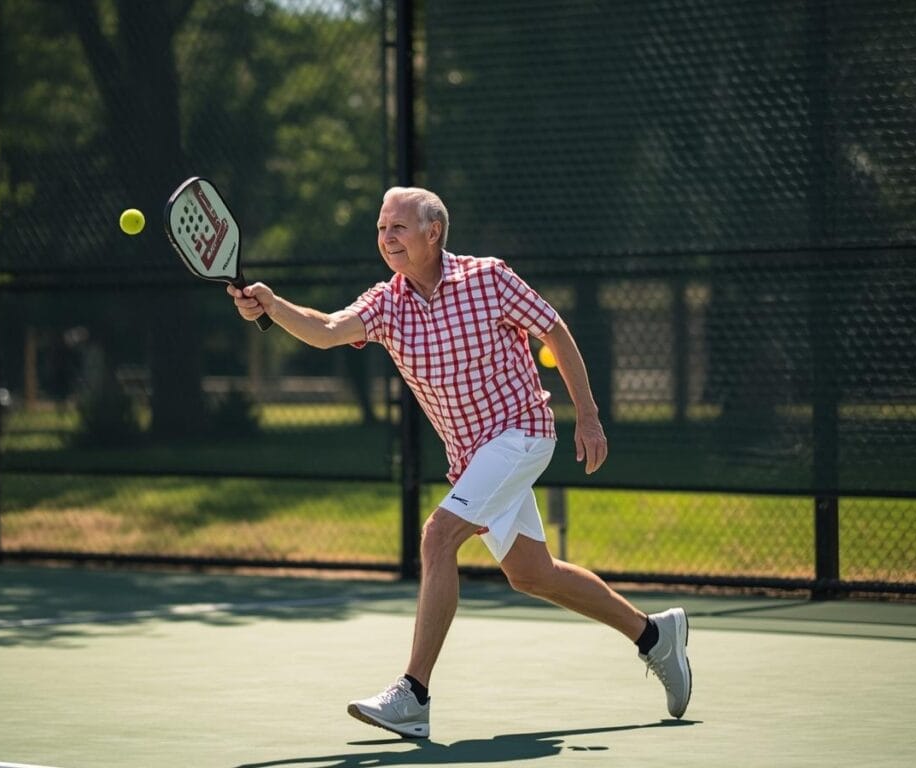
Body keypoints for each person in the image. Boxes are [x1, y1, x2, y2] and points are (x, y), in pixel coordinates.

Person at [228, 187, 692, 738]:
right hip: (473, 458)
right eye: (381, 229)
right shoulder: (387, 303)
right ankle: (654, 636)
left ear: (433, 232)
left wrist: (587, 414)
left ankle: (414, 695)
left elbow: (554, 329)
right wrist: (273, 305)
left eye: (398, 227)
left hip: (522, 433)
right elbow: (328, 330)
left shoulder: (489, 278)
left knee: (437, 536)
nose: (387, 238)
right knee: (531, 574)